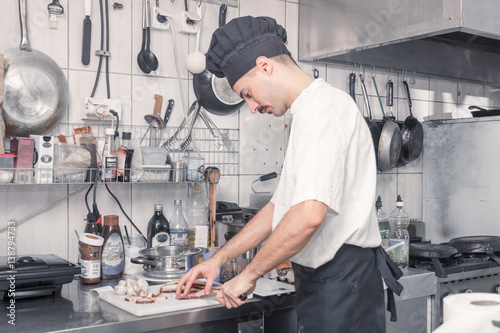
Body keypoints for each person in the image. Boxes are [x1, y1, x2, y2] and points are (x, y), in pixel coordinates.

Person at [176, 16, 403, 332]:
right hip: (325, 284)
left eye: (247, 94)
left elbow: (309, 216)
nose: (252, 107)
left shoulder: (323, 111)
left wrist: (250, 274)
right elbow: (277, 209)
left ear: (265, 66)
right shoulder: (307, 114)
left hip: (343, 286)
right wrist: (218, 259)